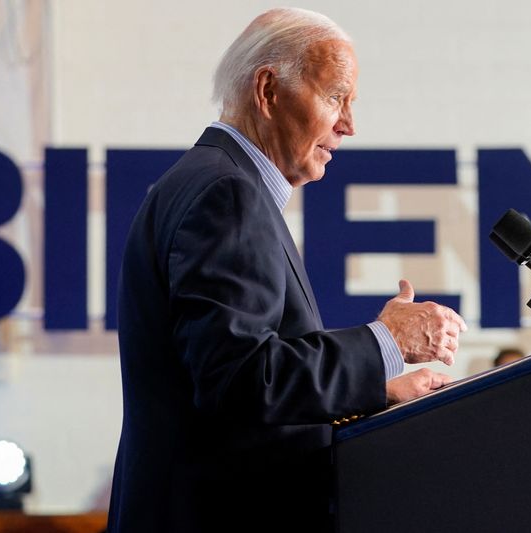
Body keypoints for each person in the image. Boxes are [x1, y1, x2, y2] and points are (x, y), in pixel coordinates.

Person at [106, 8, 467, 532]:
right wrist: (386, 342)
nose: (349, 125)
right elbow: (243, 379)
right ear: (269, 90)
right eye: (335, 97)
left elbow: (234, 382)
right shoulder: (226, 194)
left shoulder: (208, 180)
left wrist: (378, 390)